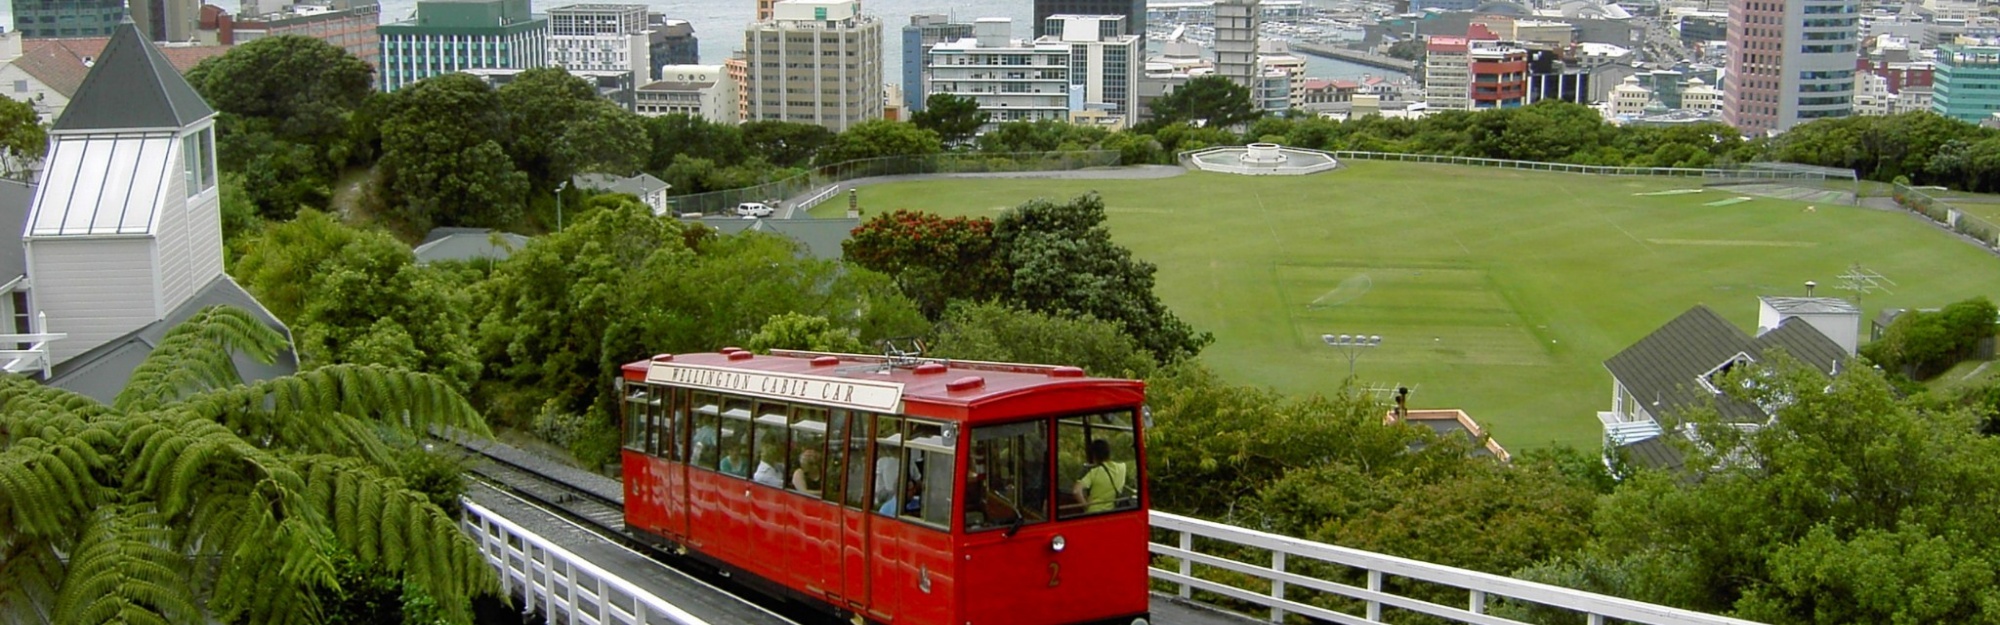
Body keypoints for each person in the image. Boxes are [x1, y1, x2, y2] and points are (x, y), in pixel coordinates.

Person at [1072, 439, 1128, 514]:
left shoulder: (1094, 472)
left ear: (1094, 455)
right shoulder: (1122, 468)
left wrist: (1086, 505)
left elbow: (1076, 491)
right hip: (1111, 512)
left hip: (1093, 513)